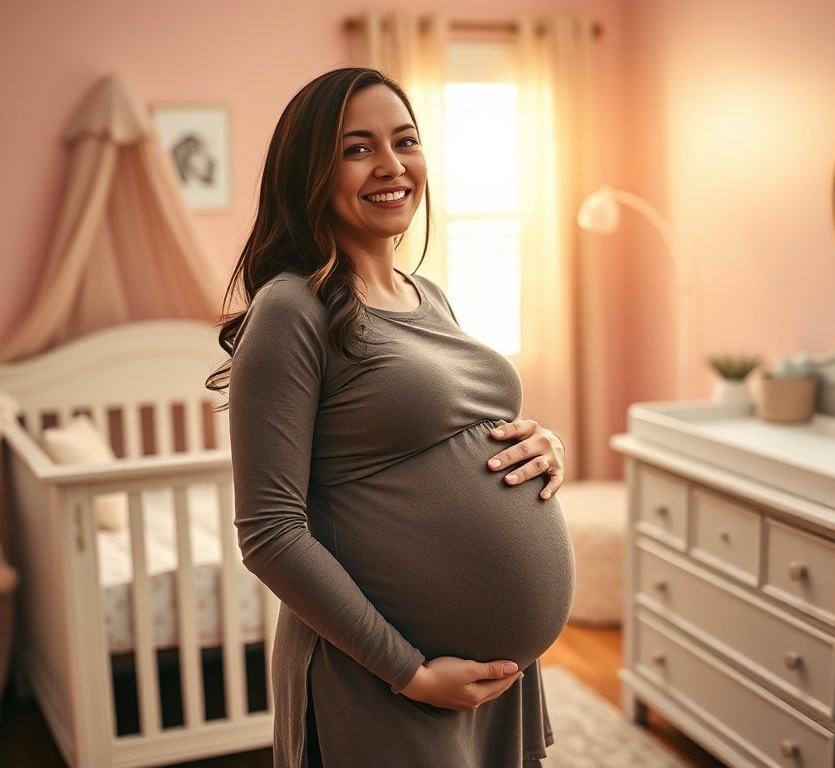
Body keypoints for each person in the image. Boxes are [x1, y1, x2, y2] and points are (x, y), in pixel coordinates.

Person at [207, 66, 575, 768]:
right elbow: (270, 532)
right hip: (381, 678)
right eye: (357, 148)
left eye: (405, 141)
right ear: (309, 174)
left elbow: (462, 428)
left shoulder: (426, 293)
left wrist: (545, 443)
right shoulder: (291, 310)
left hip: (493, 679)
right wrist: (410, 673)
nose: (391, 165)